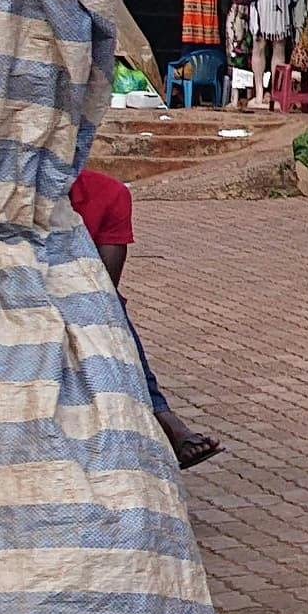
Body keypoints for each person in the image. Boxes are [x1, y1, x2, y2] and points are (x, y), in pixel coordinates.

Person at [70, 164, 220, 467]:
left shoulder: (109, 193)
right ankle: (163, 416)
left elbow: (105, 286)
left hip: (84, 295)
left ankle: (160, 416)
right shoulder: (17, 195)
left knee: (111, 313)